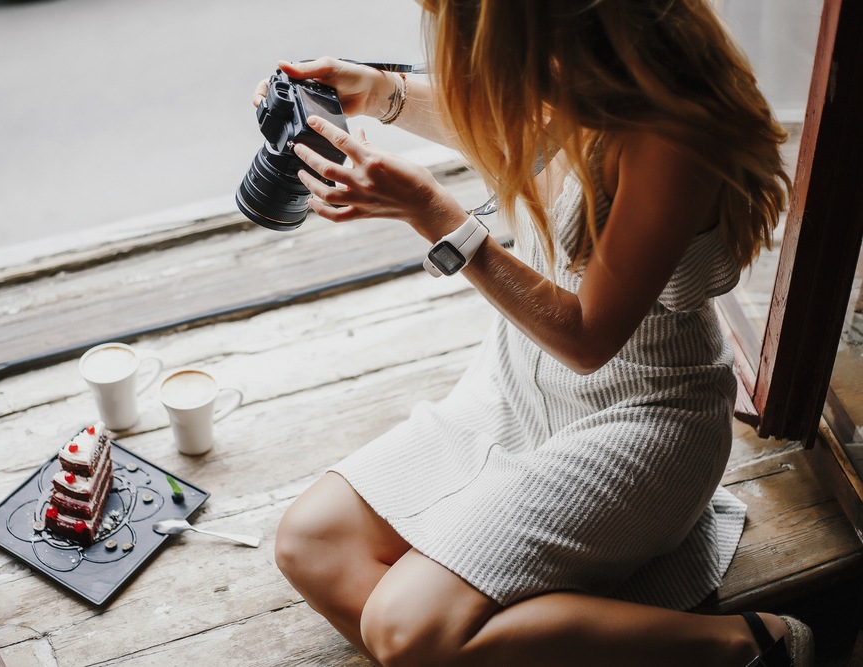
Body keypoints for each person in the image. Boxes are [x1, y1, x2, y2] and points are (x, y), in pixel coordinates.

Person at [258, 1, 810, 665]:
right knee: (308, 541)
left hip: (641, 419)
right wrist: (384, 94)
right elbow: (517, 139)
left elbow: (586, 339)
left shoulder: (671, 139)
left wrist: (436, 214)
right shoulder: (576, 70)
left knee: (406, 629)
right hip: (519, 384)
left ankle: (752, 644)